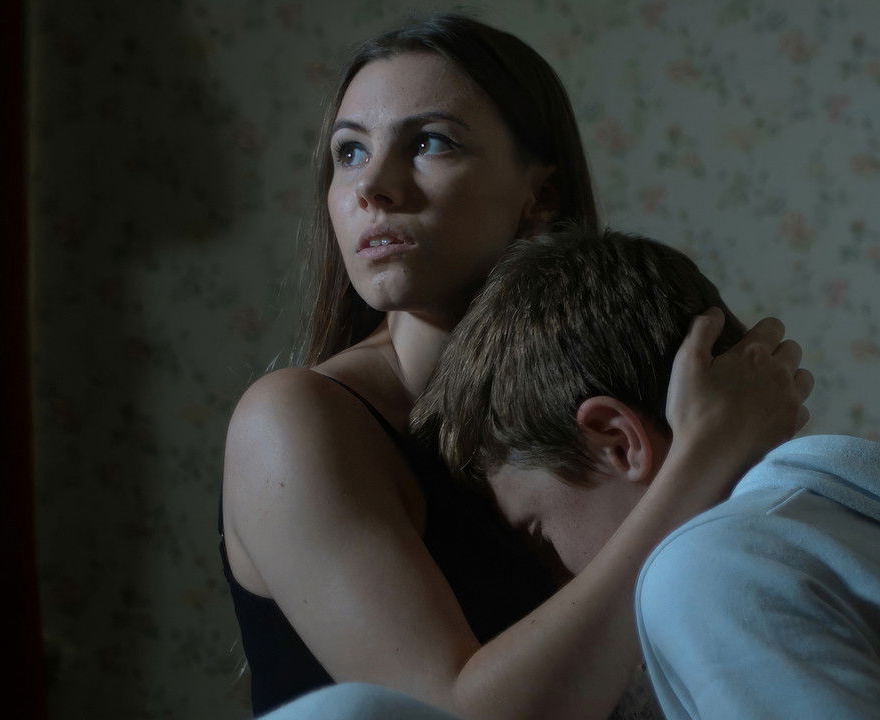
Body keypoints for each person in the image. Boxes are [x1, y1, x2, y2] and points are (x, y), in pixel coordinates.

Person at [219, 13, 812, 719]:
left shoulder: (601, 393)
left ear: (541, 197)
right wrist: (705, 455)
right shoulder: (293, 419)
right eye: (349, 152)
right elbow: (449, 714)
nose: (372, 185)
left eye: (430, 142)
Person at [411, 226, 880, 720]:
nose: (555, 577)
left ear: (618, 442)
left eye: (539, 530)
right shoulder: (866, 512)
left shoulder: (708, 570)